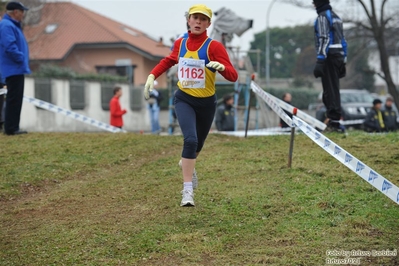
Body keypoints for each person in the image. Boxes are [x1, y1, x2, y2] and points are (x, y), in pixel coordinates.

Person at [143, 4, 238, 207]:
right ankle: (187, 191)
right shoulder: (181, 43)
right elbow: (169, 60)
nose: (198, 22)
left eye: (203, 19)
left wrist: (222, 67)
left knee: (198, 145)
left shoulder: (214, 47)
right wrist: (152, 75)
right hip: (184, 99)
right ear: (188, 20)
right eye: (195, 18)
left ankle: (188, 163)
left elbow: (233, 75)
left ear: (208, 24)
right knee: (191, 140)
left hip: (207, 103)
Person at [312, 0, 347, 133]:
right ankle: (333, 121)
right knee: (334, 89)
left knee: (329, 91)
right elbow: (343, 40)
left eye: (314, 2)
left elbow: (323, 38)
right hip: (338, 56)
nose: (312, 4)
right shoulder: (336, 17)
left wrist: (320, 59)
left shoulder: (322, 17)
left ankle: (333, 122)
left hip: (329, 56)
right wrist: (344, 59)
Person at [0, 1, 30, 135]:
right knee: (13, 98)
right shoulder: (7, 25)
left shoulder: (12, 25)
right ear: (15, 12)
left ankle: (13, 126)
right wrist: (21, 58)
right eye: (22, 11)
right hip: (12, 67)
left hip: (16, 67)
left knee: (16, 98)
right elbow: (10, 46)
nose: (23, 14)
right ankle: (11, 128)